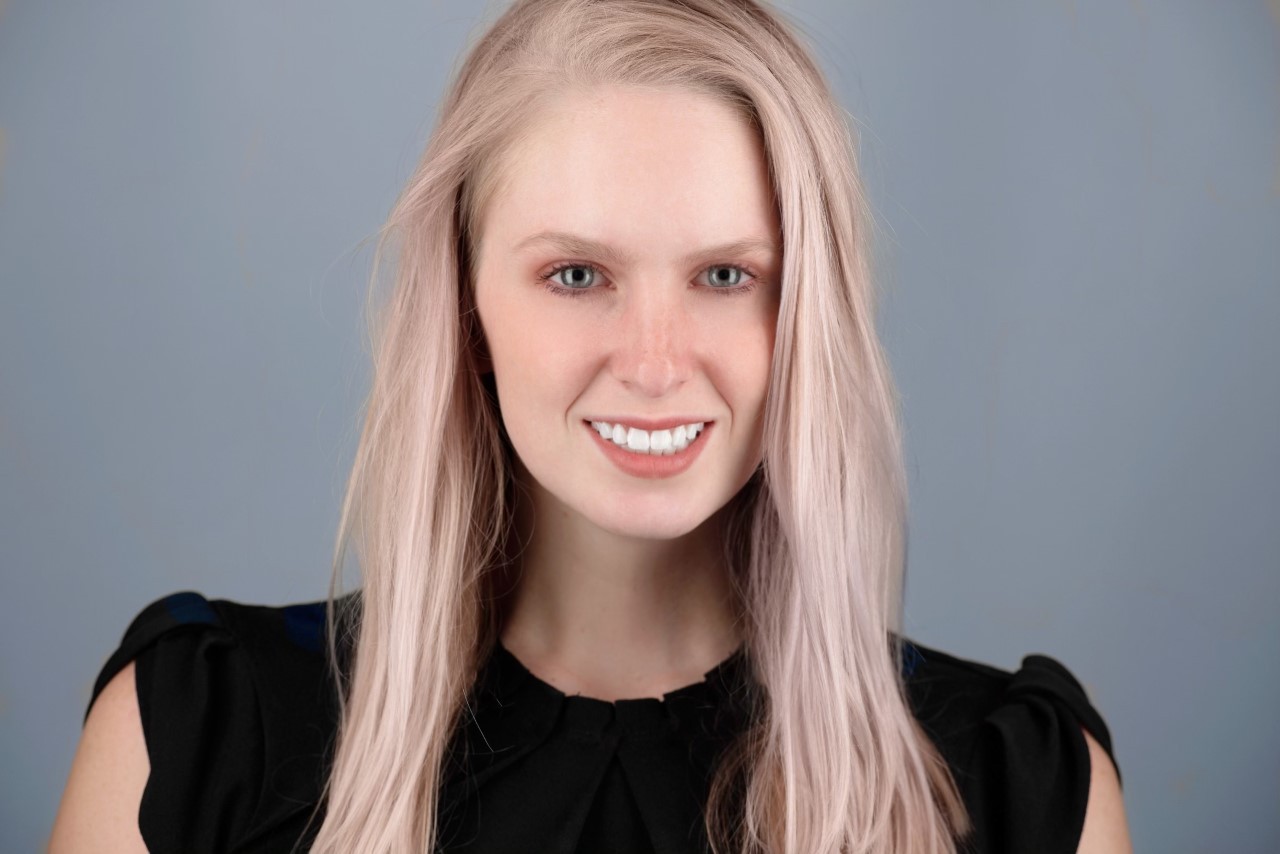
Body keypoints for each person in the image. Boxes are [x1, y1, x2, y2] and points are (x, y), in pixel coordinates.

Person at [49, 1, 1132, 852]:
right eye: (576, 274)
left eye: (725, 275)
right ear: (465, 311)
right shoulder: (191, 738)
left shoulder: (1023, 790)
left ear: (809, 317)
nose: (654, 363)